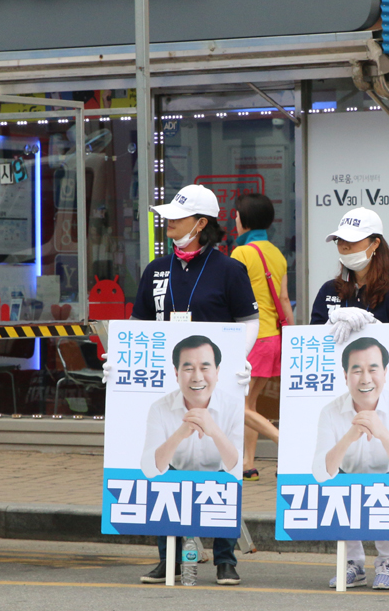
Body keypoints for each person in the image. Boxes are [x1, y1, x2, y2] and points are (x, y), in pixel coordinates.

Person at [120, 184, 260, 587]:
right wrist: (123, 360)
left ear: (201, 224)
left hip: (216, 383)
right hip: (167, 385)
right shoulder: (155, 270)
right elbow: (139, 326)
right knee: (168, 472)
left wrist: (236, 362)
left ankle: (225, 558)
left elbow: (248, 324)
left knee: (222, 468)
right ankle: (168, 556)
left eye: (177, 217)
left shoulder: (229, 269)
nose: (169, 222)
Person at [310, 207, 389, 591]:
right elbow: (314, 342)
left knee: (385, 479)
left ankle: (387, 563)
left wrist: (373, 324)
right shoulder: (329, 292)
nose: (345, 248)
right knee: (345, 480)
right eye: (340, 241)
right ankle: (352, 562)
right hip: (342, 398)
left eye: (353, 242)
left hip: (384, 400)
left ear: (375, 245)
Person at [310, 337, 389, 591]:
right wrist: (349, 436)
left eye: (372, 369)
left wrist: (381, 432)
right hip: (347, 479)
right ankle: (352, 563)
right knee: (336, 486)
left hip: (385, 481)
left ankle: (387, 564)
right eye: (357, 370)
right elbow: (321, 472)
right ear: (345, 375)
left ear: (385, 373)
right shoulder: (330, 411)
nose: (365, 378)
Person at [230, 193, 293, 481]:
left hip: (251, 339)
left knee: (237, 404)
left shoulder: (241, 254)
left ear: (243, 220)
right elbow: (284, 300)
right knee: (249, 404)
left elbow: (231, 300)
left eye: (236, 215)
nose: (234, 219)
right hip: (274, 339)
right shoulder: (277, 254)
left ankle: (287, 444)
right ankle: (248, 464)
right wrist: (291, 340)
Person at [140, 335, 243, 480]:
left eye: (204, 368)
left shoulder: (235, 407)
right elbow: (149, 470)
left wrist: (214, 431)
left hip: (219, 486)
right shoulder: (160, 408)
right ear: (176, 373)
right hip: (173, 484)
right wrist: (180, 434)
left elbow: (238, 472)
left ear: (217, 372)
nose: (197, 377)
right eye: (189, 368)